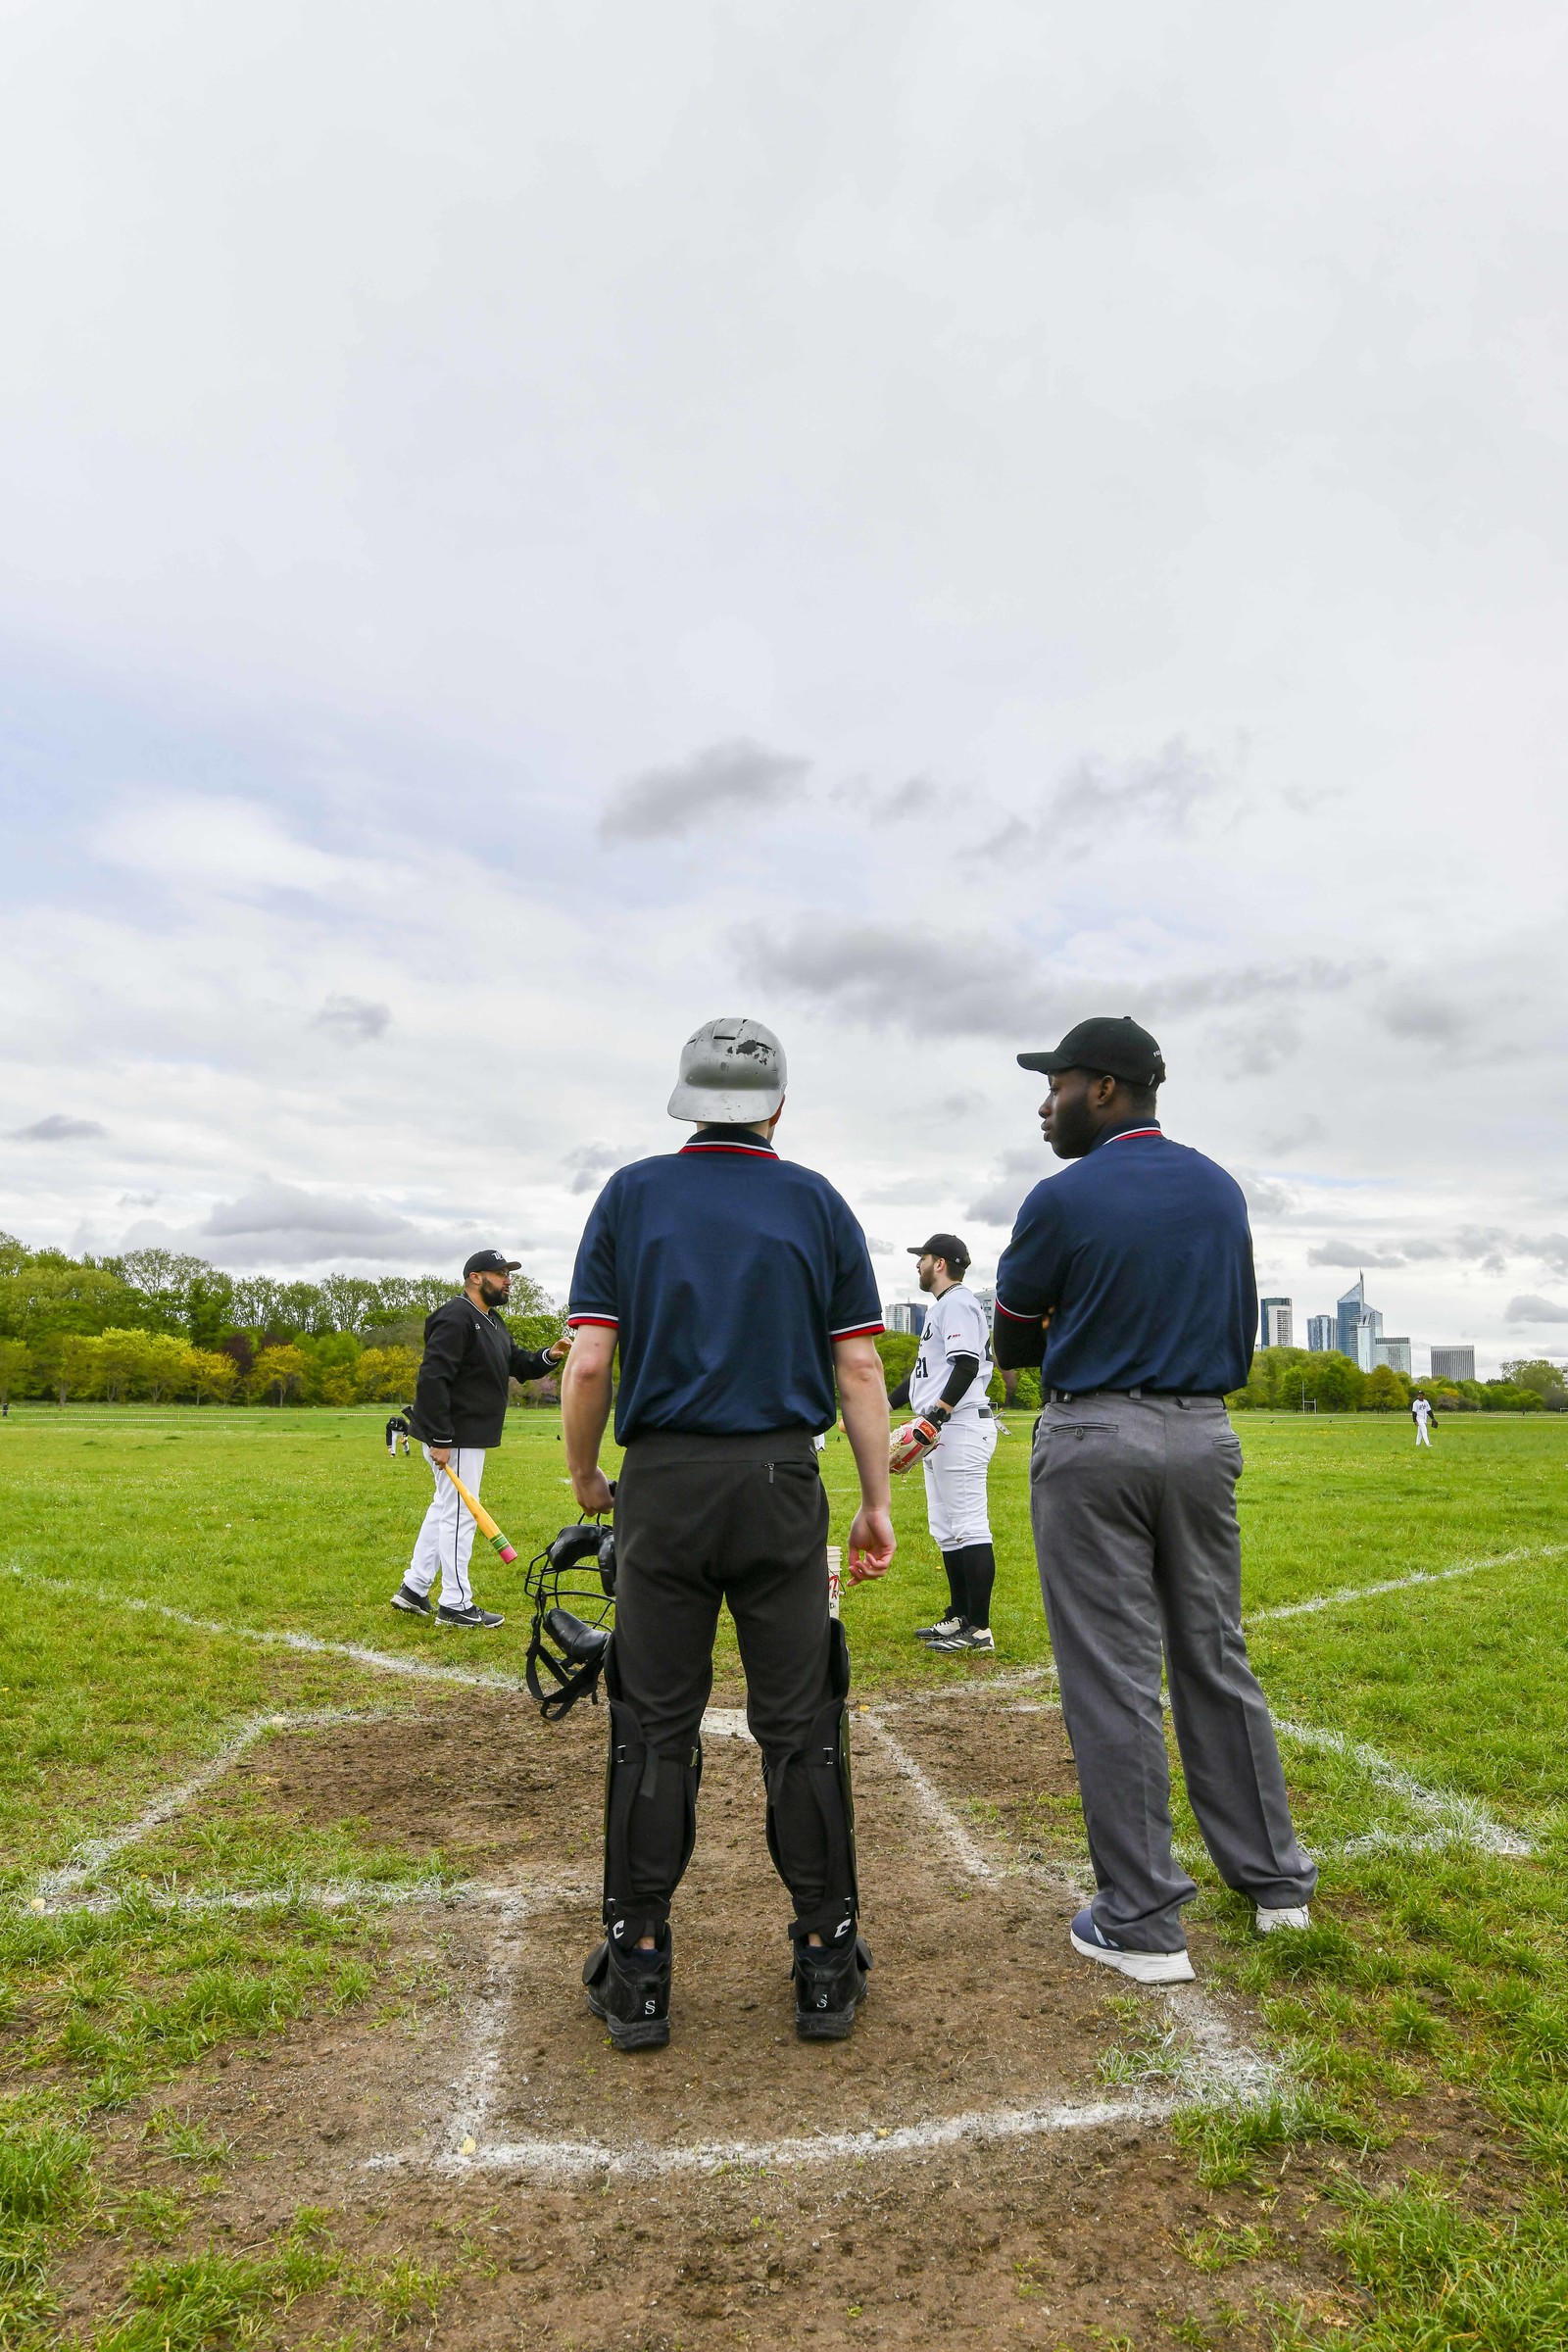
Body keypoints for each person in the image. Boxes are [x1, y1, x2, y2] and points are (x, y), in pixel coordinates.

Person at [560, 1015, 896, 2050]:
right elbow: (859, 1368)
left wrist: (586, 1474)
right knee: (800, 1723)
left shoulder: (631, 1194)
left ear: (687, 1101)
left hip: (662, 1484)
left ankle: (639, 1965)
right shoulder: (816, 1201)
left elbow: (587, 1362)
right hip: (779, 1479)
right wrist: (875, 1501)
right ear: (776, 1106)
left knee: (652, 1725)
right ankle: (826, 1962)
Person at [993, 1015, 1316, 1985]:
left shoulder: (1062, 1195)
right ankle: (1275, 1886)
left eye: (1055, 1084)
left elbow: (1014, 1342)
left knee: (1112, 1675)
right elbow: (1233, 1323)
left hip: (1095, 1436)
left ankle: (1139, 1920)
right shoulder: (1219, 1187)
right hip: (1203, 1433)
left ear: (1102, 1088)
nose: (1043, 1104)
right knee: (1214, 1653)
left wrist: (1077, 1318)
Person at [391, 1250, 569, 1629]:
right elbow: (433, 1377)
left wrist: (549, 1355)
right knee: (460, 1516)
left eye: (509, 1274)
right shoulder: (455, 1316)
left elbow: (516, 1362)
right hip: (455, 1434)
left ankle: (414, 1588)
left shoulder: (491, 1320)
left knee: (445, 1508)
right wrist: (440, 1437)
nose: (508, 1280)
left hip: (467, 1435)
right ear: (476, 1277)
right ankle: (455, 1604)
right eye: (500, 1273)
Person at [888, 1233, 999, 1653]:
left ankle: (980, 1629)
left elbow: (967, 1364)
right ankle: (960, 1615)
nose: (917, 1264)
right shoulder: (944, 1306)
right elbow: (921, 1377)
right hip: (943, 1430)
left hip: (959, 1426)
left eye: (923, 1258)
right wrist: (882, 1405)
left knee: (969, 1525)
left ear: (939, 1263)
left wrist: (937, 1414)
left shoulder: (957, 1303)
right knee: (946, 1530)